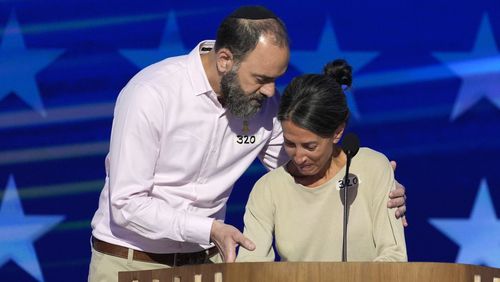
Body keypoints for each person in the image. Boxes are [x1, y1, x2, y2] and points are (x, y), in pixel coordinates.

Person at [88, 5, 407, 281]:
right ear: (225, 59)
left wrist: (374, 185)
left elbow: (304, 168)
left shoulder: (265, 106)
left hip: (208, 264)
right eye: (262, 79)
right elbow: (126, 205)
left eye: (276, 79)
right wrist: (208, 229)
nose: (271, 92)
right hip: (131, 263)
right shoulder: (151, 94)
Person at [237, 59, 407, 262]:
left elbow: (394, 258)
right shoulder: (268, 189)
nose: (298, 157)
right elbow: (250, 268)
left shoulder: (371, 167)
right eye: (290, 143)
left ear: (337, 133)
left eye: (310, 146)